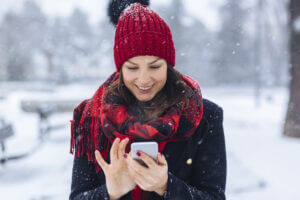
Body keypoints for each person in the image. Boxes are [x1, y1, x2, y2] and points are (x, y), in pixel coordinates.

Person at [69, 0, 227, 199]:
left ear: (168, 65)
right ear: (119, 68)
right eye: (132, 68)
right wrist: (110, 192)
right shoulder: (91, 118)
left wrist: (167, 186)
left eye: (154, 67)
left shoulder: (204, 116)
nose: (144, 80)